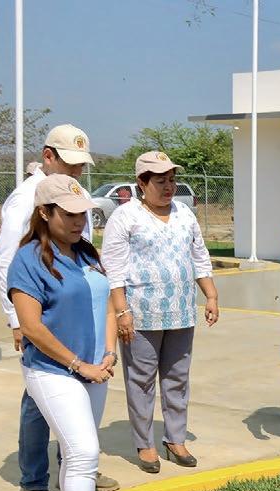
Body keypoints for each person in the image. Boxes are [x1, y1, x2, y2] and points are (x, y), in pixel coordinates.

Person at [7, 174, 127, 491]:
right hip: (53, 371)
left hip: (96, 369)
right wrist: (79, 364)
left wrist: (108, 353)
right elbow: (31, 327)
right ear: (45, 213)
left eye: (83, 214)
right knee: (83, 451)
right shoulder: (28, 260)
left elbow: (108, 306)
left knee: (80, 456)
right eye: (69, 214)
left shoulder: (86, 252)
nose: (79, 221)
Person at [0, 124, 118, 491]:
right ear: (48, 156)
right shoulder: (27, 199)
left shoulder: (74, 195)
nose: (76, 171)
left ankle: (76, 466)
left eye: (81, 165)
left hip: (75, 314)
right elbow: (8, 260)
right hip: (38, 315)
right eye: (69, 163)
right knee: (38, 402)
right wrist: (17, 320)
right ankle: (33, 484)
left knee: (69, 407)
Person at [101, 151, 219, 474]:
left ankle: (175, 439)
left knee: (177, 378)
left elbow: (199, 257)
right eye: (160, 181)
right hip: (141, 315)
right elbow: (113, 268)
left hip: (181, 313)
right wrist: (122, 311)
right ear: (142, 183)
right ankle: (145, 444)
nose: (169, 186)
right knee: (141, 381)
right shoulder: (125, 216)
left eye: (172, 180)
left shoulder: (184, 214)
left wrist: (210, 295)